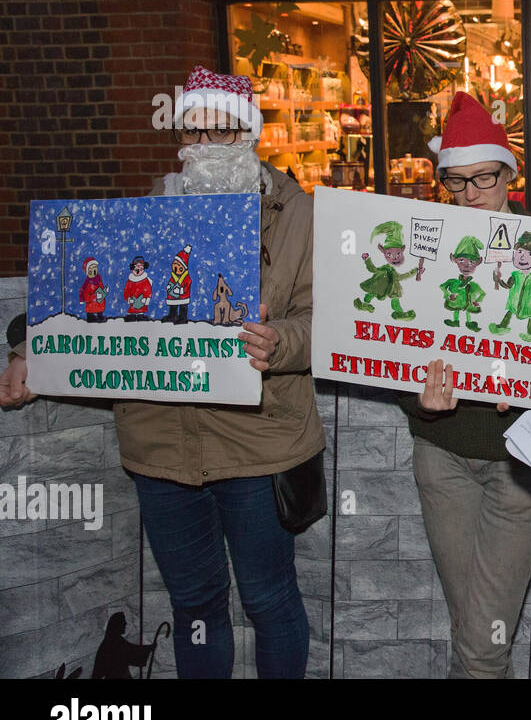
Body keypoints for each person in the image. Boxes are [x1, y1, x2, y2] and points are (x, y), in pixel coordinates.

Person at [1, 65, 322, 678]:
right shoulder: (144, 212)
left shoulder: (297, 213)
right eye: (194, 134)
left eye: (223, 132)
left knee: (270, 599)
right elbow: (83, 299)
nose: (207, 148)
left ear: (249, 133)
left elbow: (324, 319)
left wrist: (280, 340)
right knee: (196, 604)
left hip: (259, 441)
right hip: (161, 445)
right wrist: (30, 350)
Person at [398, 91, 531, 678]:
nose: (470, 194)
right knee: (474, 624)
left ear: (509, 174)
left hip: (519, 461)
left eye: (483, 178)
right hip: (441, 456)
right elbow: (390, 348)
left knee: (483, 636)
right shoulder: (429, 250)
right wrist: (418, 396)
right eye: (456, 182)